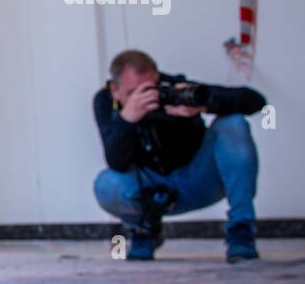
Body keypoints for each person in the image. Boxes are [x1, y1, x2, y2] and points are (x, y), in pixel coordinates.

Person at [92, 49, 266, 262]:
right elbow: (116, 162)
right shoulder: (105, 102)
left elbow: (256, 100)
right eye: (133, 93)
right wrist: (127, 118)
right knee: (106, 184)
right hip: (149, 190)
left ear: (157, 79)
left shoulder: (173, 89)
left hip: (197, 179)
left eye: (149, 89)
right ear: (114, 90)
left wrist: (202, 103)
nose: (145, 98)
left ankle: (241, 231)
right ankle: (143, 230)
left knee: (233, 124)